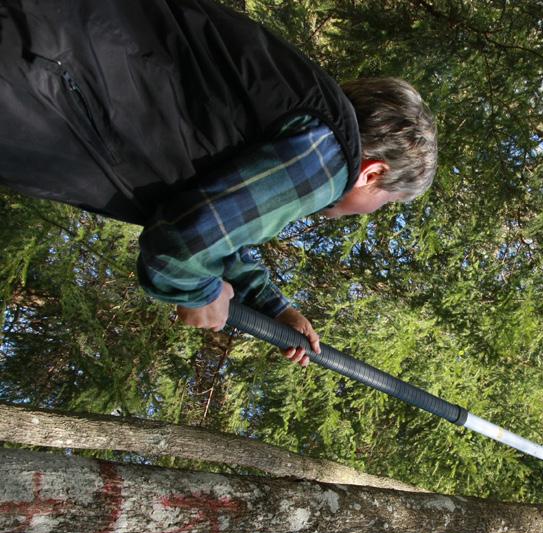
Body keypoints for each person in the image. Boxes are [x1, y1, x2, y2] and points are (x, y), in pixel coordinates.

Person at [0, 0, 437, 367]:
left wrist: (273, 306)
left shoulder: (299, 105)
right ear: (372, 172)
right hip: (34, 80)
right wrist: (200, 294)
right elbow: (181, 244)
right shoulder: (333, 158)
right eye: (383, 202)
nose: (363, 214)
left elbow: (218, 221)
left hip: (46, 42)